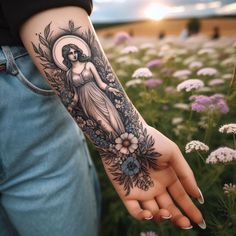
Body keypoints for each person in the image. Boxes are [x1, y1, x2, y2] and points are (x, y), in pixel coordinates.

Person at [0, 1, 206, 236]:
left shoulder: (87, 65)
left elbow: (100, 83)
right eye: (69, 52)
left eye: (74, 50)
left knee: (112, 125)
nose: (73, 53)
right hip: (48, 98)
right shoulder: (68, 72)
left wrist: (131, 131)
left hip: (83, 100)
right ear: (66, 56)